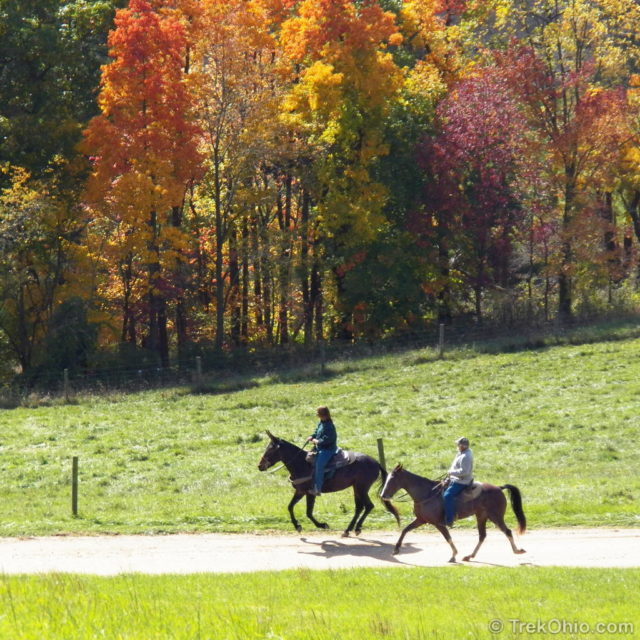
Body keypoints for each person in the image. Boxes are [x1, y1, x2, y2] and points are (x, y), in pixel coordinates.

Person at [306, 406, 338, 496]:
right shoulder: (321, 422)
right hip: (319, 448)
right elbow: (317, 432)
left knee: (319, 465)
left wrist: (317, 441)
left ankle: (317, 489)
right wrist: (312, 436)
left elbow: (327, 440)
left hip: (328, 450)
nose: (317, 415)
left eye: (318, 413)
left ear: (323, 415)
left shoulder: (330, 426)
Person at [442, 436, 474, 527]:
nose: (457, 445)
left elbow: (464, 472)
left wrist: (451, 472)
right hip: (454, 478)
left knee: (447, 496)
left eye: (458, 444)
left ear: (463, 446)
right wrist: (449, 476)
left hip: (462, 481)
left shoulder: (466, 456)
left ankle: (449, 519)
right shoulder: (460, 453)